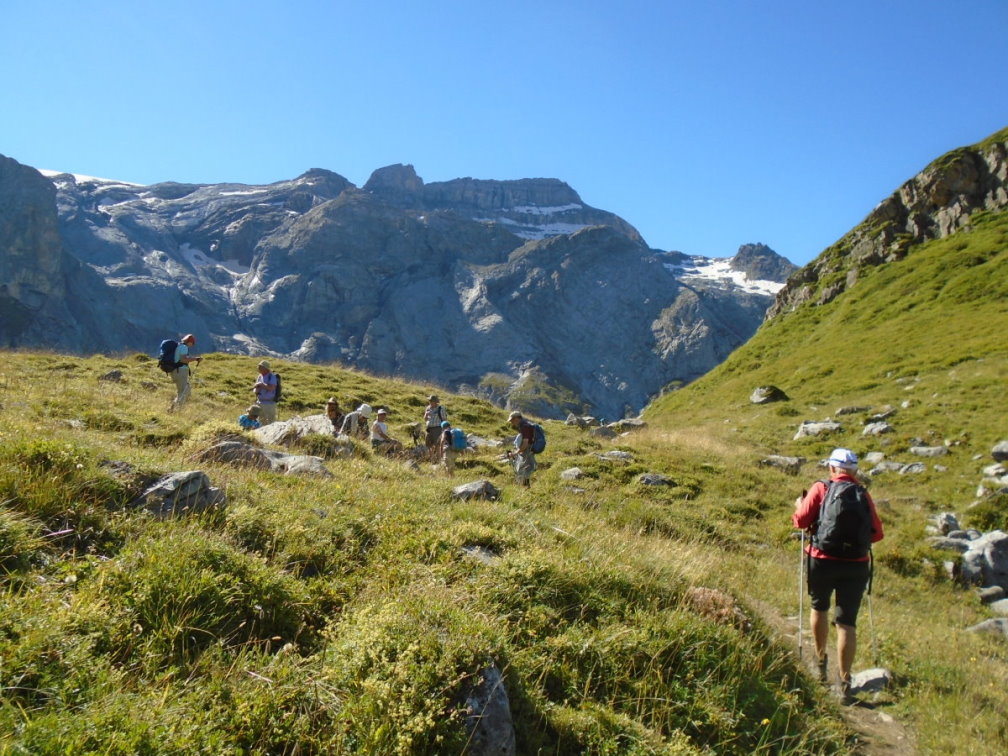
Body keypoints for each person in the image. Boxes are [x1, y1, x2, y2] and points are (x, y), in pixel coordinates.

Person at [793, 448, 884, 703]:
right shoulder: (863, 495)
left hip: (822, 560)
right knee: (847, 623)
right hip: (856, 565)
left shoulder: (821, 488)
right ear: (854, 472)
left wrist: (800, 507)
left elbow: (800, 521)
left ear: (832, 468)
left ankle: (820, 662)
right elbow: (877, 534)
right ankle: (844, 682)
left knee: (819, 608)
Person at [169, 334, 201, 411]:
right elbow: (183, 360)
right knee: (183, 392)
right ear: (189, 342)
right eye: (192, 343)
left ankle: (172, 408)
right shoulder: (184, 347)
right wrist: (195, 359)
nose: (192, 345)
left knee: (186, 391)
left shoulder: (180, 346)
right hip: (180, 371)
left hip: (177, 371)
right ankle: (177, 410)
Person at [507, 410, 537, 487]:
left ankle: (525, 489)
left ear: (517, 418)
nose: (511, 422)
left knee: (523, 470)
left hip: (527, 451)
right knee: (524, 470)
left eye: (512, 420)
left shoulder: (525, 427)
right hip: (527, 450)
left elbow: (525, 443)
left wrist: (516, 453)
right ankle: (526, 488)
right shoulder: (524, 425)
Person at [252, 360, 279, 425]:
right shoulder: (260, 376)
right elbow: (256, 388)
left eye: (260, 367)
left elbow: (271, 388)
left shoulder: (272, 376)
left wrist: (261, 384)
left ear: (266, 368)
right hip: (259, 402)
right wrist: (256, 389)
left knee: (271, 422)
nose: (258, 368)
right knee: (260, 421)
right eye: (259, 366)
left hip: (269, 403)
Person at [423, 395, 448, 462]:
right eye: (429, 400)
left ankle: (439, 460)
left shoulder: (440, 408)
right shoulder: (428, 408)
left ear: (436, 402)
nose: (430, 402)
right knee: (428, 444)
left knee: (437, 445)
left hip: (437, 428)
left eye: (431, 401)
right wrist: (426, 415)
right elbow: (425, 418)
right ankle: (432, 459)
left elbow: (444, 419)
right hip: (428, 429)